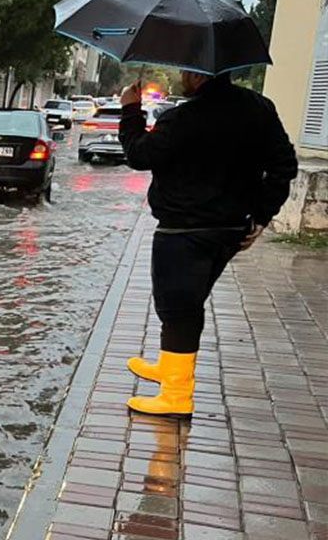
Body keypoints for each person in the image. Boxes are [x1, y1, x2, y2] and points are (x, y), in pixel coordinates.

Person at [118, 70, 298, 417]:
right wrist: (261, 216)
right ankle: (173, 366)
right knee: (188, 303)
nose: (184, 76)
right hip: (230, 228)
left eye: (187, 71)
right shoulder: (260, 108)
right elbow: (284, 167)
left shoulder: (184, 118)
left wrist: (131, 109)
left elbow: (139, 155)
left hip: (183, 231)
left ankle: (176, 395)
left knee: (178, 309)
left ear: (198, 75)